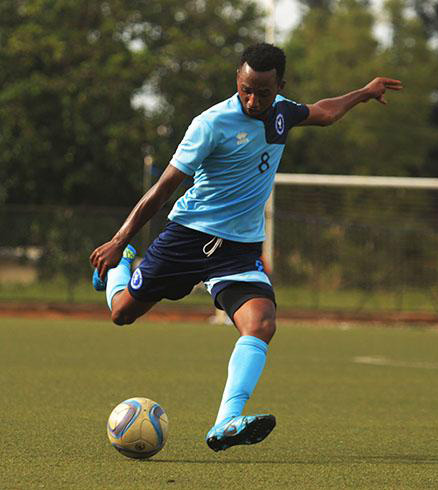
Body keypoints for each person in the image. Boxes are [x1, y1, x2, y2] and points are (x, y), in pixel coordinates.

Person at [89, 43, 402, 452]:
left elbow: (324, 113)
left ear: (280, 87)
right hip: (189, 237)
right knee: (122, 314)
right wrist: (119, 242)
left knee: (262, 324)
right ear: (237, 81)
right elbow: (164, 188)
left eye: (263, 93)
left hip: (238, 249)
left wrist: (363, 92)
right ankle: (120, 267)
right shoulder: (210, 124)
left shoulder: (282, 113)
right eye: (245, 90)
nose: (253, 100)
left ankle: (226, 421)